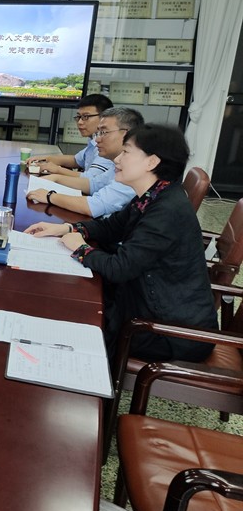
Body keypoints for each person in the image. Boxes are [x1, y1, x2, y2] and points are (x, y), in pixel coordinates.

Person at [24, 124, 217, 361]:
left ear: (151, 162)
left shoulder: (167, 210)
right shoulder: (153, 195)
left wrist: (81, 248)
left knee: (77, 320)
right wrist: (66, 228)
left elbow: (120, 268)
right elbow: (112, 226)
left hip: (171, 331)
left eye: (126, 152)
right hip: (145, 304)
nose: (117, 159)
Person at [26, 107, 141, 217]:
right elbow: (93, 184)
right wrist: (56, 178)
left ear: (126, 134)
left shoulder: (134, 169)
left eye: (104, 132)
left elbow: (95, 206)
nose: (97, 139)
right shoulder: (118, 164)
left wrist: (50, 196)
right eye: (98, 133)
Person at [28, 93, 114, 193]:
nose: (80, 122)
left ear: (104, 118)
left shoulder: (107, 146)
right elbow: (76, 160)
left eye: (86, 117)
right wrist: (45, 159)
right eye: (78, 117)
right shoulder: (93, 140)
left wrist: (57, 170)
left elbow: (89, 180)